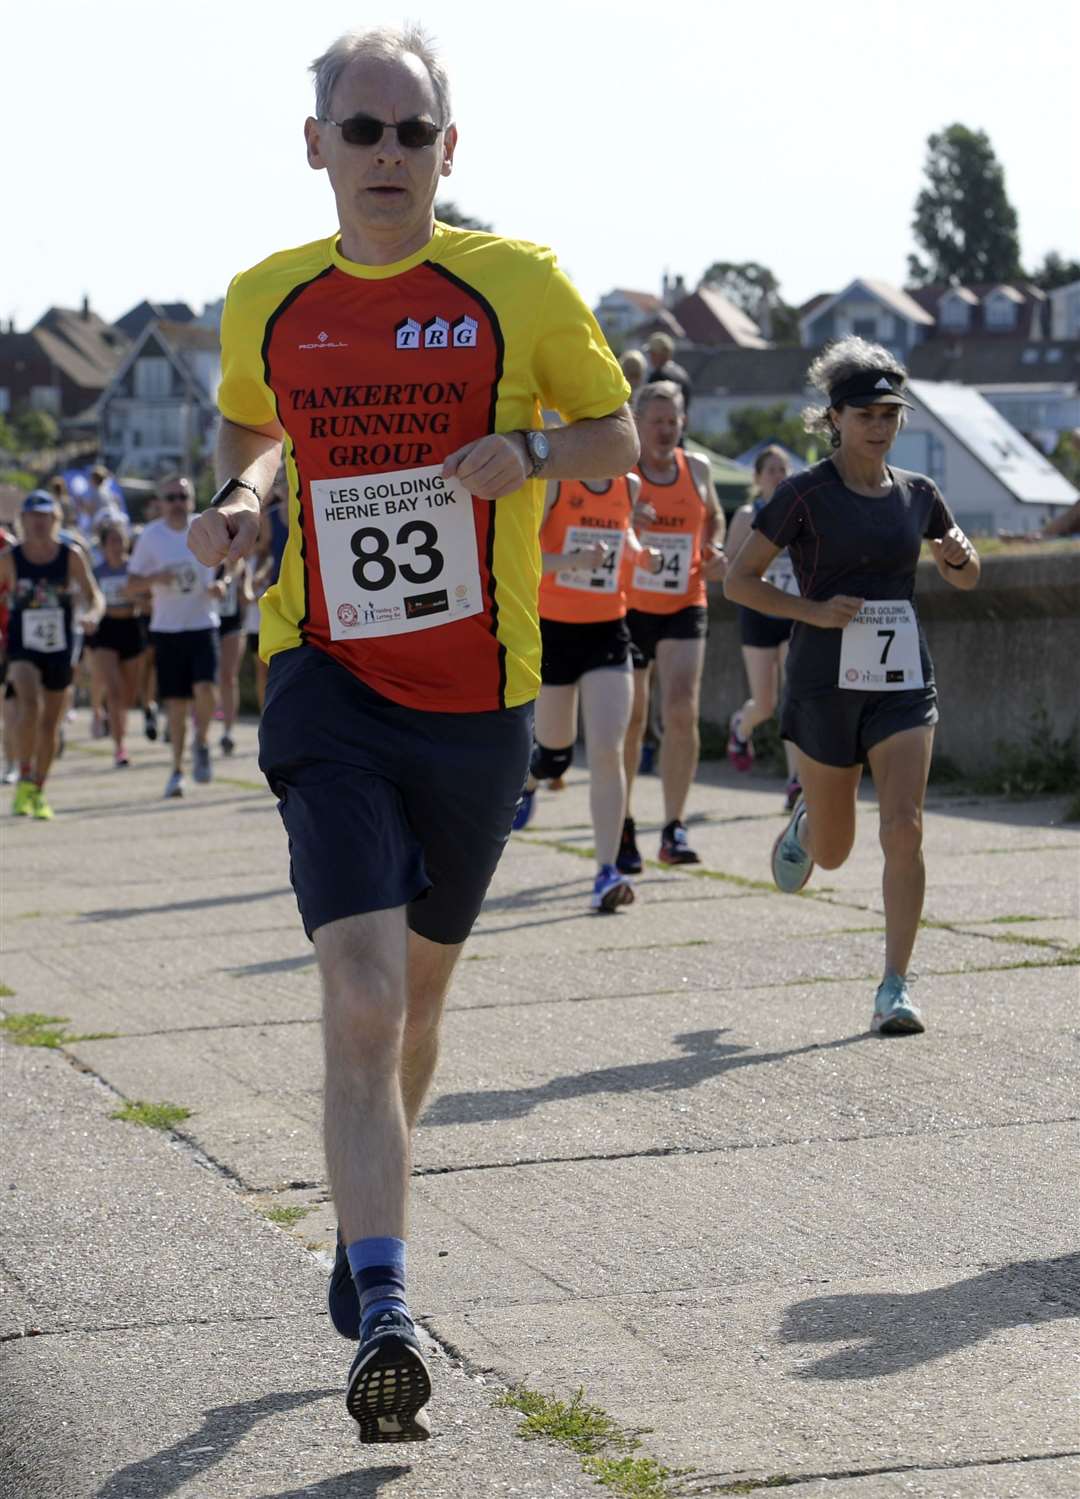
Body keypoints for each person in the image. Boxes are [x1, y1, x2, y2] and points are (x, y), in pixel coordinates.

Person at [186, 23, 636, 1443]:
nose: (388, 153)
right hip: (324, 677)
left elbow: (620, 436)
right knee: (365, 995)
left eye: (413, 129)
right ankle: (389, 1300)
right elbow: (253, 430)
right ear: (313, 145)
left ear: (453, 147)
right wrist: (252, 502)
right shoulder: (266, 296)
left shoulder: (517, 284)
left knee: (419, 1003)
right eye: (362, 129)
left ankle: (359, 1227)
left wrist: (542, 453)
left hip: (481, 697)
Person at [724, 336, 980, 1036]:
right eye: (865, 413)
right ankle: (810, 823)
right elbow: (737, 580)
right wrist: (811, 610)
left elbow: (966, 572)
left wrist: (961, 557)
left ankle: (894, 984)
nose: (879, 424)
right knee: (836, 851)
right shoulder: (802, 495)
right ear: (834, 417)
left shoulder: (919, 495)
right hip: (822, 682)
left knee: (904, 826)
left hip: (901, 682)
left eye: (890, 413)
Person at [512, 471, 661, 910]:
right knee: (557, 752)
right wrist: (573, 560)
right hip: (555, 631)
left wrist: (642, 556)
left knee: (608, 751)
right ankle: (534, 778)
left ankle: (606, 871)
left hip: (608, 632)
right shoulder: (559, 482)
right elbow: (525, 552)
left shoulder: (628, 486)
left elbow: (621, 541)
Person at [618, 382, 726, 870]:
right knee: (633, 717)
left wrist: (712, 549)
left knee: (682, 710)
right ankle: (620, 823)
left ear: (683, 422)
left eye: (673, 420)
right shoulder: (623, 472)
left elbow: (714, 519)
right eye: (656, 420)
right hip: (630, 604)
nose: (665, 429)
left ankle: (673, 827)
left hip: (685, 599)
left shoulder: (697, 469)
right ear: (637, 423)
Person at [0, 491, 103, 818]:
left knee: (50, 724)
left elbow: (94, 596)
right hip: (22, 645)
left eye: (46, 516)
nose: (39, 523)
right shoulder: (9, 558)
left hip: (59, 646)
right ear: (24, 520)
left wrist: (92, 616)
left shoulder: (70, 555)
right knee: (28, 705)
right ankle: (24, 774)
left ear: (55, 520)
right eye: (33, 517)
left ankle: (38, 789)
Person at [128, 475, 223, 797]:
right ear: (159, 502)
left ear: (192, 500)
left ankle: (203, 742)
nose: (177, 504)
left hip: (202, 623)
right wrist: (157, 577)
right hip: (167, 628)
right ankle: (177, 770)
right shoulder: (150, 536)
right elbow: (130, 584)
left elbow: (233, 564)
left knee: (207, 688)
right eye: (170, 497)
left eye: (182, 496)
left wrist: (221, 584)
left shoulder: (205, 525)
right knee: (178, 706)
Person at [724, 446, 802, 809]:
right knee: (766, 704)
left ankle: (795, 782)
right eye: (770, 469)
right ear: (757, 478)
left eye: (783, 468)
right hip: (757, 614)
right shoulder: (745, 515)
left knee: (792, 701)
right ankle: (742, 724)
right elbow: (730, 569)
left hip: (791, 612)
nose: (777, 474)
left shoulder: (802, 512)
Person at [86, 524, 145, 767]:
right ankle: (120, 747)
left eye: (120, 541)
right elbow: (88, 598)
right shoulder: (97, 572)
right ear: (103, 545)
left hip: (131, 627)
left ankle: (114, 718)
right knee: (114, 690)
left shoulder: (135, 568)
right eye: (111, 541)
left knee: (128, 696)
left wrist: (135, 598)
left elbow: (149, 600)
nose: (116, 546)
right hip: (106, 630)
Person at [645, 331, 692, 413]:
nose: (650, 357)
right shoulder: (683, 374)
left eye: (652, 353)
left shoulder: (658, 376)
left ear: (658, 354)